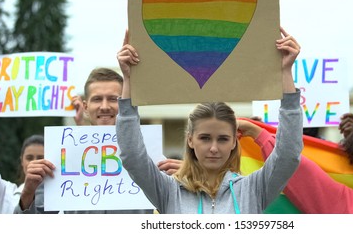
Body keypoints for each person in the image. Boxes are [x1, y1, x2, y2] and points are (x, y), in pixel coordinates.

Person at [116, 27, 303, 214]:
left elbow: (288, 155)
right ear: (190, 140)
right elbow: (132, 157)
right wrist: (129, 80)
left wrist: (285, 72)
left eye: (222, 139)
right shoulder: (169, 191)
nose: (214, 148)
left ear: (233, 142)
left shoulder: (253, 188)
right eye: (205, 138)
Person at [14, 68, 157, 214]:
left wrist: (177, 184)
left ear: (127, 104)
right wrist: (27, 193)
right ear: (86, 107)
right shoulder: (62, 155)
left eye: (113, 99)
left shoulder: (148, 153)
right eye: (97, 99)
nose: (105, 106)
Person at [0, 94, 45, 214]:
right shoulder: (5, 193)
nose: (34, 162)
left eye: (40, 158)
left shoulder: (62, 201)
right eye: (29, 158)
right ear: (21, 161)